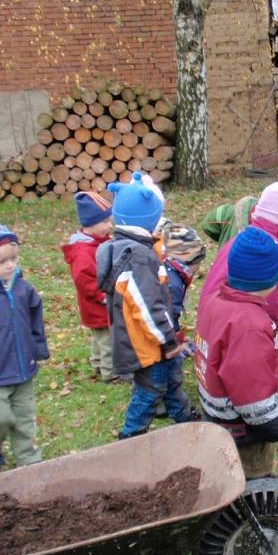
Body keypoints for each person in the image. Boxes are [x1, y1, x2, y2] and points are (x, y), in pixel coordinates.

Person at [96, 172, 196, 439]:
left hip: (150, 338)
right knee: (149, 391)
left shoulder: (123, 247)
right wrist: (168, 341)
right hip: (148, 344)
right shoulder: (138, 258)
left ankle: (187, 418)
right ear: (148, 219)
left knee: (172, 381)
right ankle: (131, 436)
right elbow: (146, 305)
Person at [194, 227, 278, 479]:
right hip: (240, 427)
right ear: (271, 279)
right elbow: (250, 385)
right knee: (249, 478)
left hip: (213, 408)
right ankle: (252, 497)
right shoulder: (249, 326)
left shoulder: (216, 301)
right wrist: (272, 421)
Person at [198, 181, 278, 338]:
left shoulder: (248, 237)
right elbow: (267, 293)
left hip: (213, 312)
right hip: (232, 322)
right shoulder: (265, 249)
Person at [0, 221, 48, 471]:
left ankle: (29, 460)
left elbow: (35, 318)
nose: (11, 265)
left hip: (23, 368)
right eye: (2, 262)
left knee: (24, 418)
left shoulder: (22, 288)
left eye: (14, 258)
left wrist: (38, 348)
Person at [61, 192, 116, 382]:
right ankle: (110, 372)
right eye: (105, 222)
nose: (110, 226)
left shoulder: (98, 242)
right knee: (107, 339)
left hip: (98, 305)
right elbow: (84, 281)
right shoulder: (84, 252)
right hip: (98, 305)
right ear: (89, 224)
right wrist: (102, 295)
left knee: (100, 337)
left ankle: (97, 363)